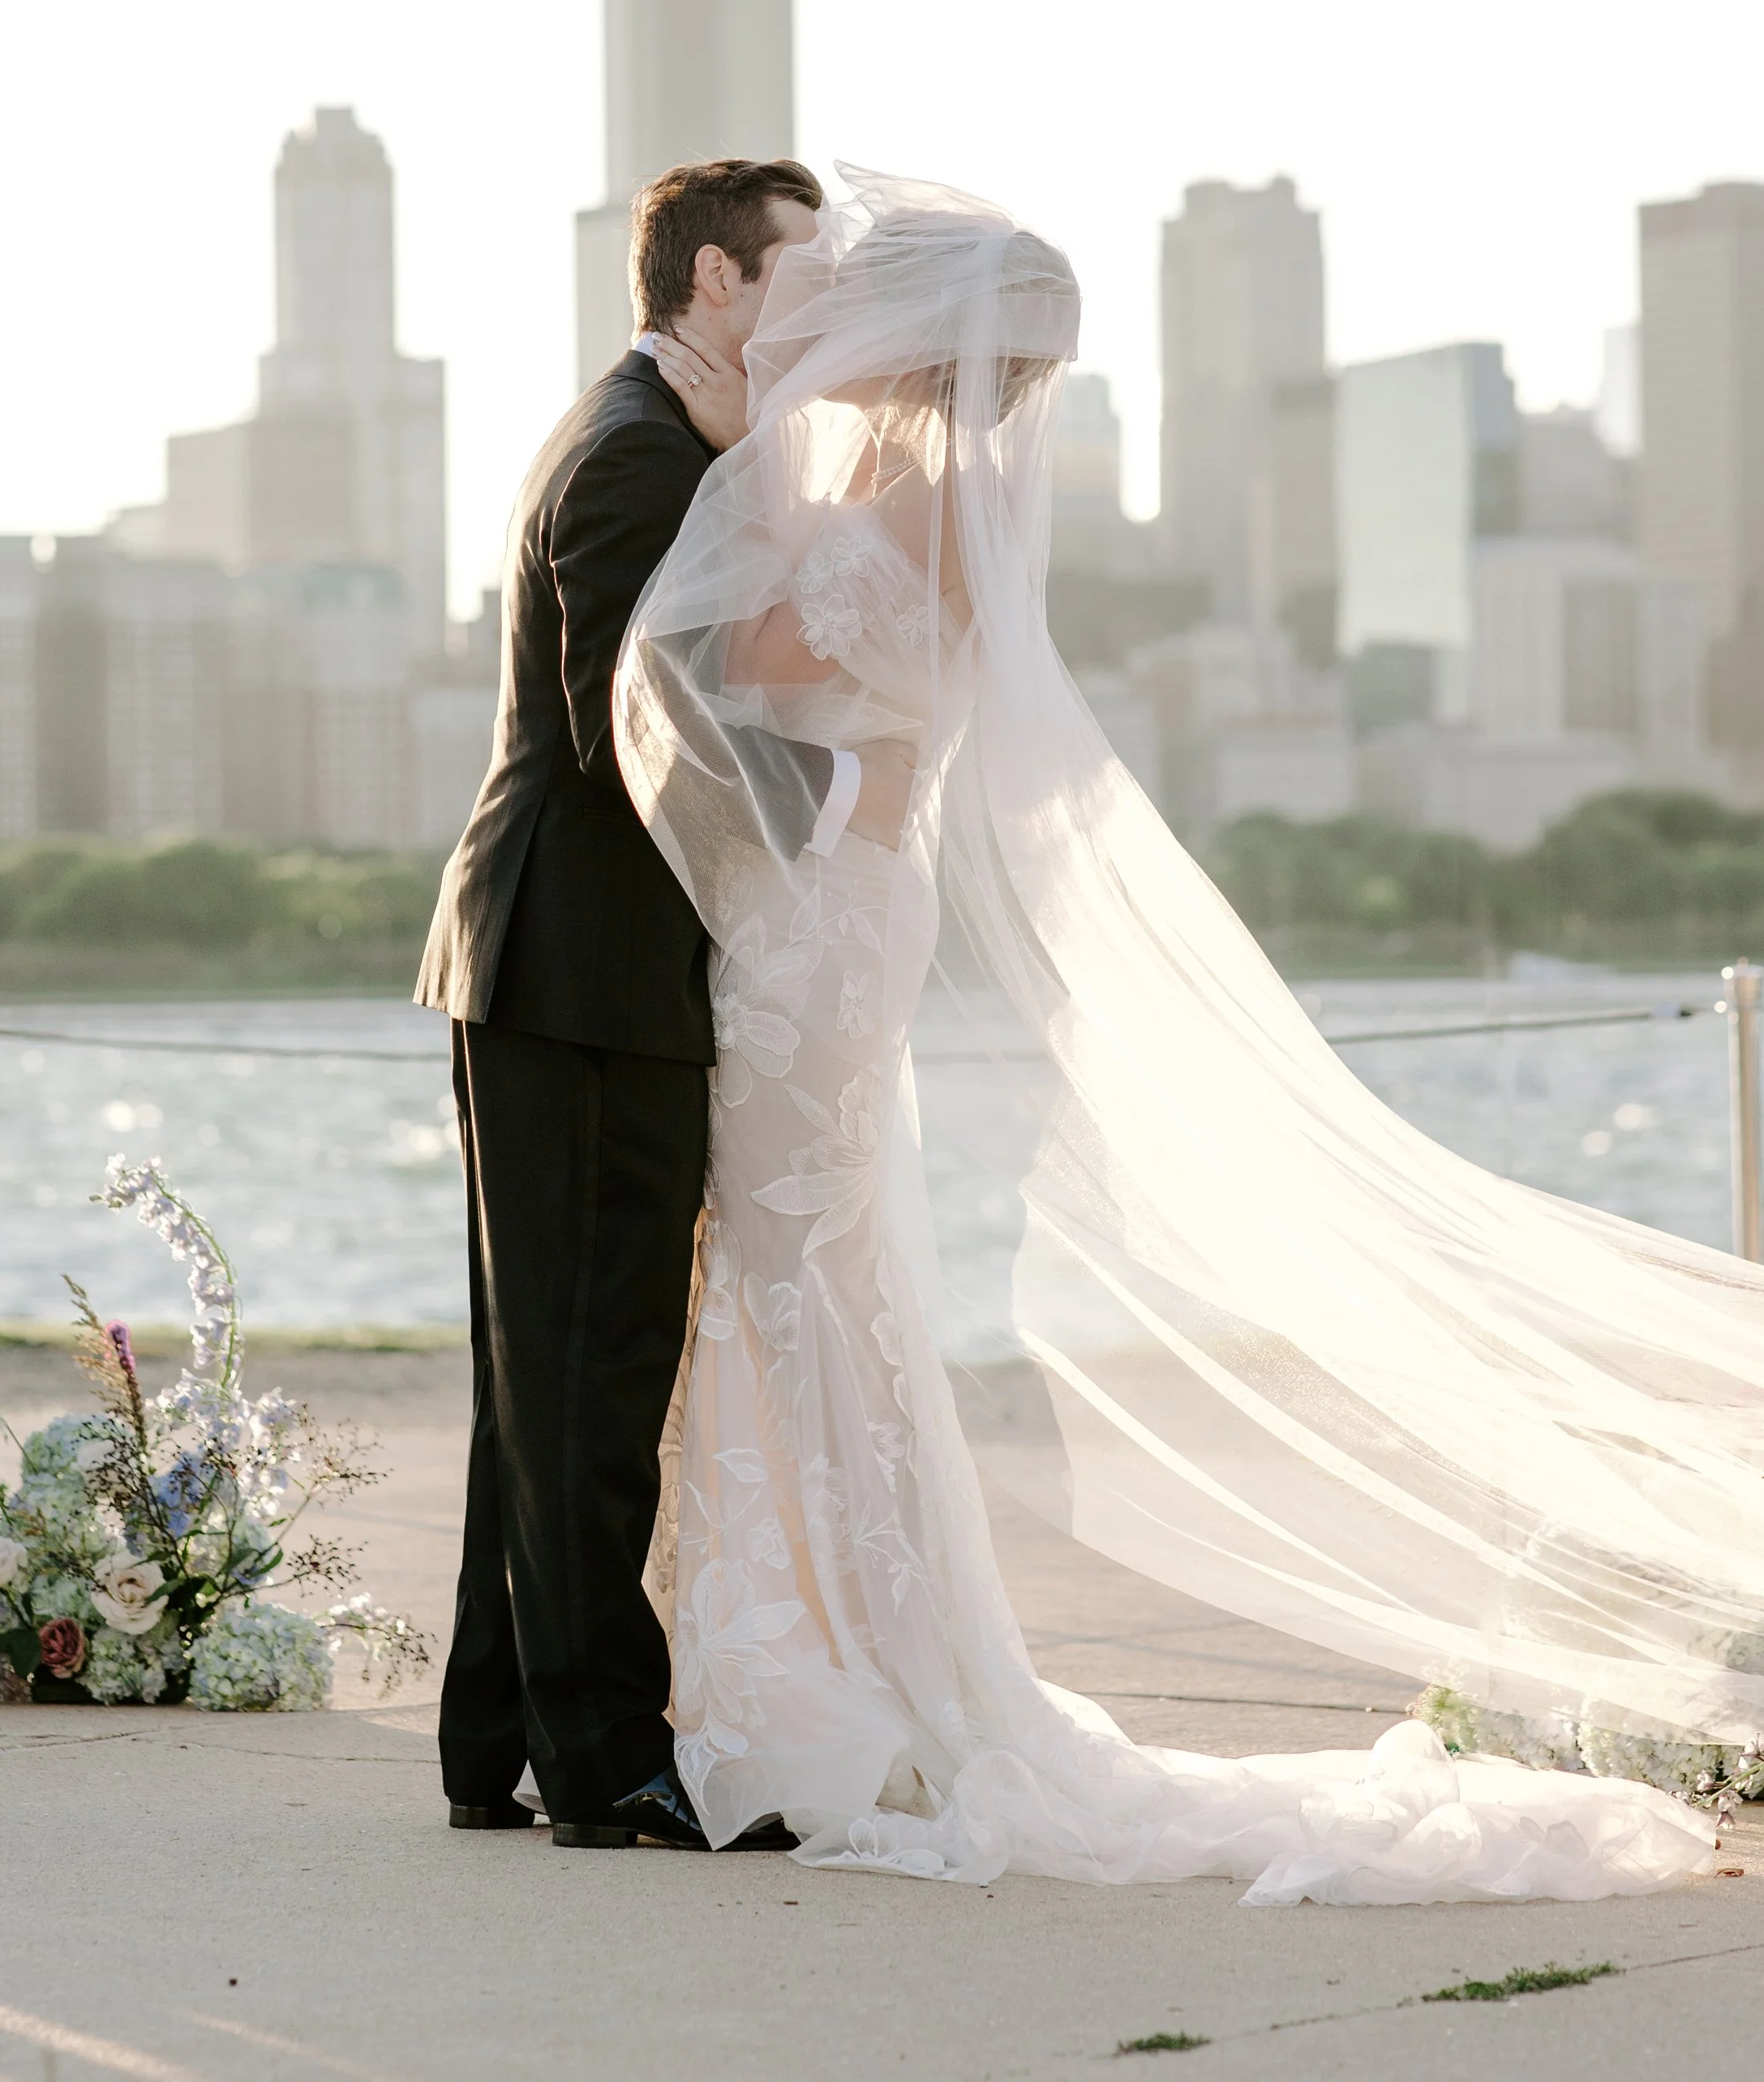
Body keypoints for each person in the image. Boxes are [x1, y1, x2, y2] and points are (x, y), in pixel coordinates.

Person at [613, 168, 1747, 1904]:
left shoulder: (896, 508)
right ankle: (813, 1636)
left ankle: (816, 1663)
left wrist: (754, 500)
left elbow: (744, 659)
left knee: (787, 1264)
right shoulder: (934, 496)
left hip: (815, 925)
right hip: (833, 910)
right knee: (811, 1272)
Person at [418, 156, 911, 1852]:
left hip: (577, 970)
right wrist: (853, 791)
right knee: (588, 1367)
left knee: (541, 1375)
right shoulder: (631, 454)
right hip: (575, 969)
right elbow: (648, 739)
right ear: (713, 280)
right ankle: (607, 1761)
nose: (819, 303)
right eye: (796, 271)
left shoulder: (661, 439)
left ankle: (494, 1735)